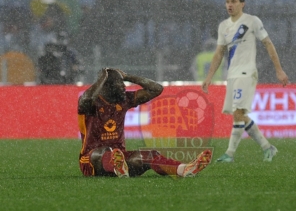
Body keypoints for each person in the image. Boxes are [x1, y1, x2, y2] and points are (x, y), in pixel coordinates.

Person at [201, 0, 289, 163]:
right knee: (240, 115)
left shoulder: (252, 21)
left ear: (243, 4)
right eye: (227, 2)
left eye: (233, 1)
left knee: (238, 113)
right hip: (232, 75)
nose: (229, 5)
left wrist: (279, 70)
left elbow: (268, 44)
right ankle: (267, 147)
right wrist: (209, 76)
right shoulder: (223, 26)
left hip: (247, 72)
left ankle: (230, 153)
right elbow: (219, 53)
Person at [78, 68, 212, 177]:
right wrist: (102, 78)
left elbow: (157, 89)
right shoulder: (91, 103)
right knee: (105, 151)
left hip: (121, 158)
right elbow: (85, 99)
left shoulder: (124, 100)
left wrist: (128, 76)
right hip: (90, 160)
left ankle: (184, 169)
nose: (124, 87)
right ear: (107, 87)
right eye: (120, 84)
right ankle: (115, 166)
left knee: (149, 155)